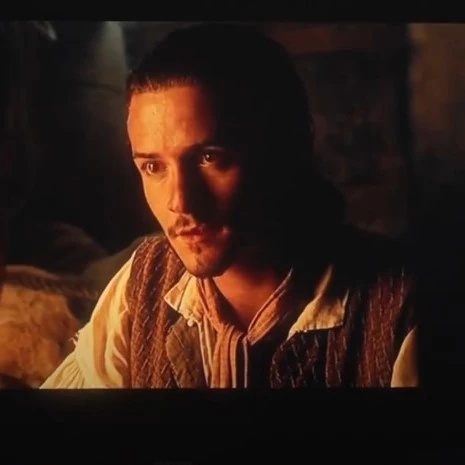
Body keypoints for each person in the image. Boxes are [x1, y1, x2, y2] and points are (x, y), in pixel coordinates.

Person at [41, 23, 418, 389]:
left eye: (210, 158)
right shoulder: (141, 286)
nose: (180, 201)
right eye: (153, 167)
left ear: (288, 149)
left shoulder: (400, 308)